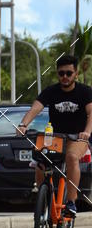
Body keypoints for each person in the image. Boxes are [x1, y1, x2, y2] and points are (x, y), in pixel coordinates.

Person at [18, 54, 92, 217]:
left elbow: (91, 113)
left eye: (69, 73)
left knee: (72, 157)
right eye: (61, 73)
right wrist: (23, 124)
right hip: (56, 138)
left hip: (77, 138)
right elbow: (35, 109)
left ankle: (71, 203)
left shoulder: (85, 92)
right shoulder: (51, 91)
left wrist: (87, 132)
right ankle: (43, 198)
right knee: (39, 161)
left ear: (76, 74)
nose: (65, 77)